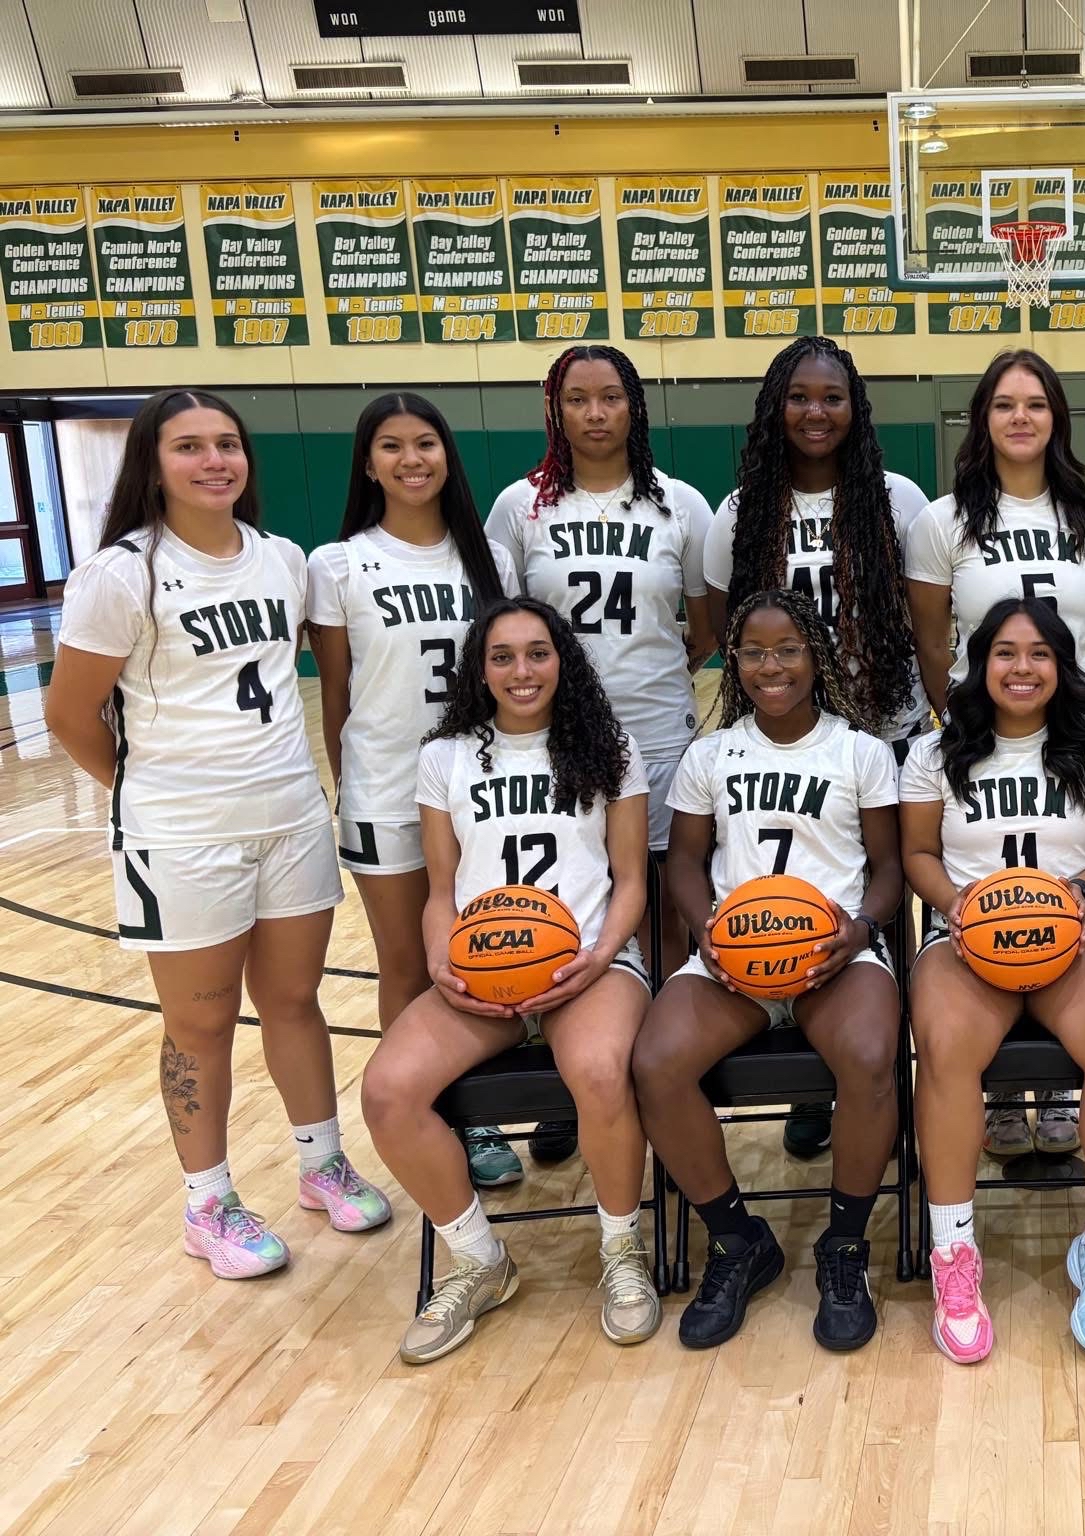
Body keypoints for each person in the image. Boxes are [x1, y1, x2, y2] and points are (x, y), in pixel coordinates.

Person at [48, 388, 390, 1280]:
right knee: (199, 1024)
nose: (214, 462)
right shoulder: (123, 573)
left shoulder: (282, 560)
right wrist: (144, 791)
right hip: (183, 834)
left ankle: (322, 1165)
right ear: (152, 466)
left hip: (287, 815)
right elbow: (70, 711)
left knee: (294, 1002)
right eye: (189, 447)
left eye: (228, 445)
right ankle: (209, 1203)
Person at [361, 597, 659, 1363]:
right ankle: (479, 1261)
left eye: (537, 653)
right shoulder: (447, 758)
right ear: (479, 669)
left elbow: (631, 881)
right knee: (387, 1092)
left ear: (563, 659)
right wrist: (439, 963)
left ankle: (622, 1249)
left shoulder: (608, 748)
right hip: (482, 970)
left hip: (589, 963)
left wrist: (598, 957)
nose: (521, 671)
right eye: (502, 656)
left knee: (598, 1069)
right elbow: (439, 889)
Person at [631, 589, 903, 1352]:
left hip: (835, 955)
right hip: (734, 958)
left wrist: (861, 931)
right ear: (734, 661)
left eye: (788, 649)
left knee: (873, 1058)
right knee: (655, 1064)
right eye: (753, 651)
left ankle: (844, 1245)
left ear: (815, 657)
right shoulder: (711, 755)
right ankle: (736, 1239)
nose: (770, 666)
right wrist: (703, 935)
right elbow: (682, 861)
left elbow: (888, 868)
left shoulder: (861, 751)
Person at [901, 598, 1085, 1361]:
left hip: (1073, 933)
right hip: (966, 940)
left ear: (1064, 666)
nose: (1021, 668)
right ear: (979, 664)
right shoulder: (933, 755)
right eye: (1005, 653)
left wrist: (1077, 892)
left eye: (1039, 654)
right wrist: (959, 907)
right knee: (944, 1048)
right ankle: (953, 1254)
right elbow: (917, 856)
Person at [486, 344, 713, 1163]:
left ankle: (661, 1071)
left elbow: (706, 624)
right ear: (556, 410)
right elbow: (505, 627)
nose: (593, 413)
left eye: (609, 397)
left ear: (634, 408)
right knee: (567, 909)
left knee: (663, 913)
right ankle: (575, 1081)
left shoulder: (679, 505)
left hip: (656, 740)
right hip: (553, 751)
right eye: (577, 399)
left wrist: (648, 677)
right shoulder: (519, 507)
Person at [703, 335, 928, 1158]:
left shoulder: (898, 501)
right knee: (795, 894)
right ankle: (817, 1082)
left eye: (832, 397)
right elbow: (719, 626)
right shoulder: (738, 512)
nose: (816, 412)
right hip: (783, 742)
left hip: (884, 734)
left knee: (883, 912)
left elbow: (919, 615)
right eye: (800, 396)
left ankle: (887, 1081)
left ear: (855, 408)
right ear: (775, 408)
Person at [306, 392, 523, 1189]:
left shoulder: (489, 558)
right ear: (368, 463)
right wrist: (353, 784)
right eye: (391, 446)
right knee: (408, 962)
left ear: (446, 456)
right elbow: (336, 695)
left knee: (499, 944)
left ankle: (509, 1100)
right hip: (388, 792)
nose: (411, 459)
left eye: (425, 443)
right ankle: (442, 1119)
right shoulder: (337, 564)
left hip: (490, 787)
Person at [905, 348, 1085, 1158]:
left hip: (1068, 736)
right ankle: (996, 1094)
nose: (1021, 418)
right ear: (982, 419)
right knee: (987, 882)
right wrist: (959, 719)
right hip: (978, 735)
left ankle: (1061, 1087)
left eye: (1035, 403)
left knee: (1063, 893)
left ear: (1056, 417)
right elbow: (933, 641)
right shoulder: (943, 519)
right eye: (1004, 405)